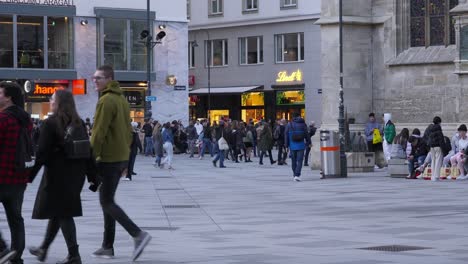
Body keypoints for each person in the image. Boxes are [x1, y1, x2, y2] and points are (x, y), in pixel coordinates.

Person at [28, 90, 99, 264]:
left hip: (57, 175)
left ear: (58, 103)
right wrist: (92, 175)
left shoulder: (50, 123)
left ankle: (74, 255)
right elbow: (87, 151)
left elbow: (42, 154)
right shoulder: (79, 122)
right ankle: (43, 248)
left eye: (52, 98)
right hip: (76, 175)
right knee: (59, 211)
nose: (50, 101)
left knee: (63, 213)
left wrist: (30, 175)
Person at [90, 65, 151, 261]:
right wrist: (125, 159)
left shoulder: (106, 101)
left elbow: (98, 133)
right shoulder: (122, 100)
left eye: (98, 78)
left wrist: (90, 158)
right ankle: (107, 246)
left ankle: (138, 234)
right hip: (119, 157)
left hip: (107, 158)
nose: (95, 81)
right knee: (107, 201)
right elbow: (127, 131)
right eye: (93, 78)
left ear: (109, 79)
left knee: (106, 201)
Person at [0, 81, 32, 264]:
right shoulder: (25, 119)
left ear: (8, 97)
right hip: (19, 177)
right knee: (16, 218)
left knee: (15, 218)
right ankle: (16, 257)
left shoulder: (3, 119)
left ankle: (2, 250)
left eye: (0, 93)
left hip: (2, 175)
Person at [285, 113, 310, 181]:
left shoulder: (289, 124)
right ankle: (297, 174)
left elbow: (286, 135)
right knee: (300, 160)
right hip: (301, 145)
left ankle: (294, 174)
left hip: (292, 146)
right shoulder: (303, 124)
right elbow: (306, 134)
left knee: (293, 160)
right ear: (299, 116)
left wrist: (286, 145)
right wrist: (309, 142)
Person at [425, 116, 445, 181]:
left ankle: (432, 176)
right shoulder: (439, 130)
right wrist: (444, 148)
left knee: (433, 161)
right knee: (438, 161)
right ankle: (436, 176)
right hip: (438, 147)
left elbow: (427, 138)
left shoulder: (430, 129)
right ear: (439, 122)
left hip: (432, 147)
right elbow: (441, 140)